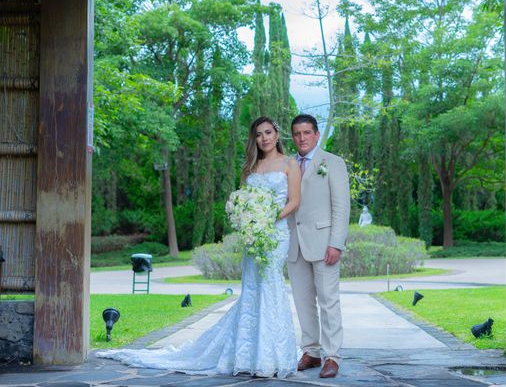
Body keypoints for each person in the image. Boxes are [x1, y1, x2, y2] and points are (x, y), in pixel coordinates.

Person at [97, 116, 301, 378]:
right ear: (255, 139)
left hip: (276, 235)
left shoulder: (289, 164)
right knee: (252, 289)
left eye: (269, 132)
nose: (264, 138)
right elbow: (245, 201)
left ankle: (271, 356)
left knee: (271, 286)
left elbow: (294, 201)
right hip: (254, 236)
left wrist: (269, 218)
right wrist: (250, 219)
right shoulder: (249, 167)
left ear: (277, 134)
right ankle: (249, 355)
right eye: (259, 134)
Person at [287, 114, 350, 378]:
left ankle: (332, 356)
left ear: (316, 135)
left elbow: (341, 206)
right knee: (302, 302)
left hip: (324, 244)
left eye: (306, 133)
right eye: (297, 134)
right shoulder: (287, 165)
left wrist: (336, 243)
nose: (302, 138)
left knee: (328, 301)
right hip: (294, 243)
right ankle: (311, 352)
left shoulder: (332, 163)